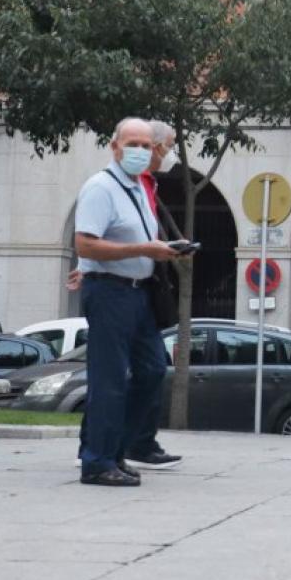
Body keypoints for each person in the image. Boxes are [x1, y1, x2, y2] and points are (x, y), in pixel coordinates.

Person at [72, 118, 182, 486]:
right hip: (110, 291)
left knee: (151, 370)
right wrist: (144, 249)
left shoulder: (137, 187)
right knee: (110, 378)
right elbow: (86, 243)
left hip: (139, 292)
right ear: (114, 145)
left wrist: (163, 252)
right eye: (131, 143)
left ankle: (119, 450)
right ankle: (98, 461)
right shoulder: (101, 188)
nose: (139, 151)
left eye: (146, 146)